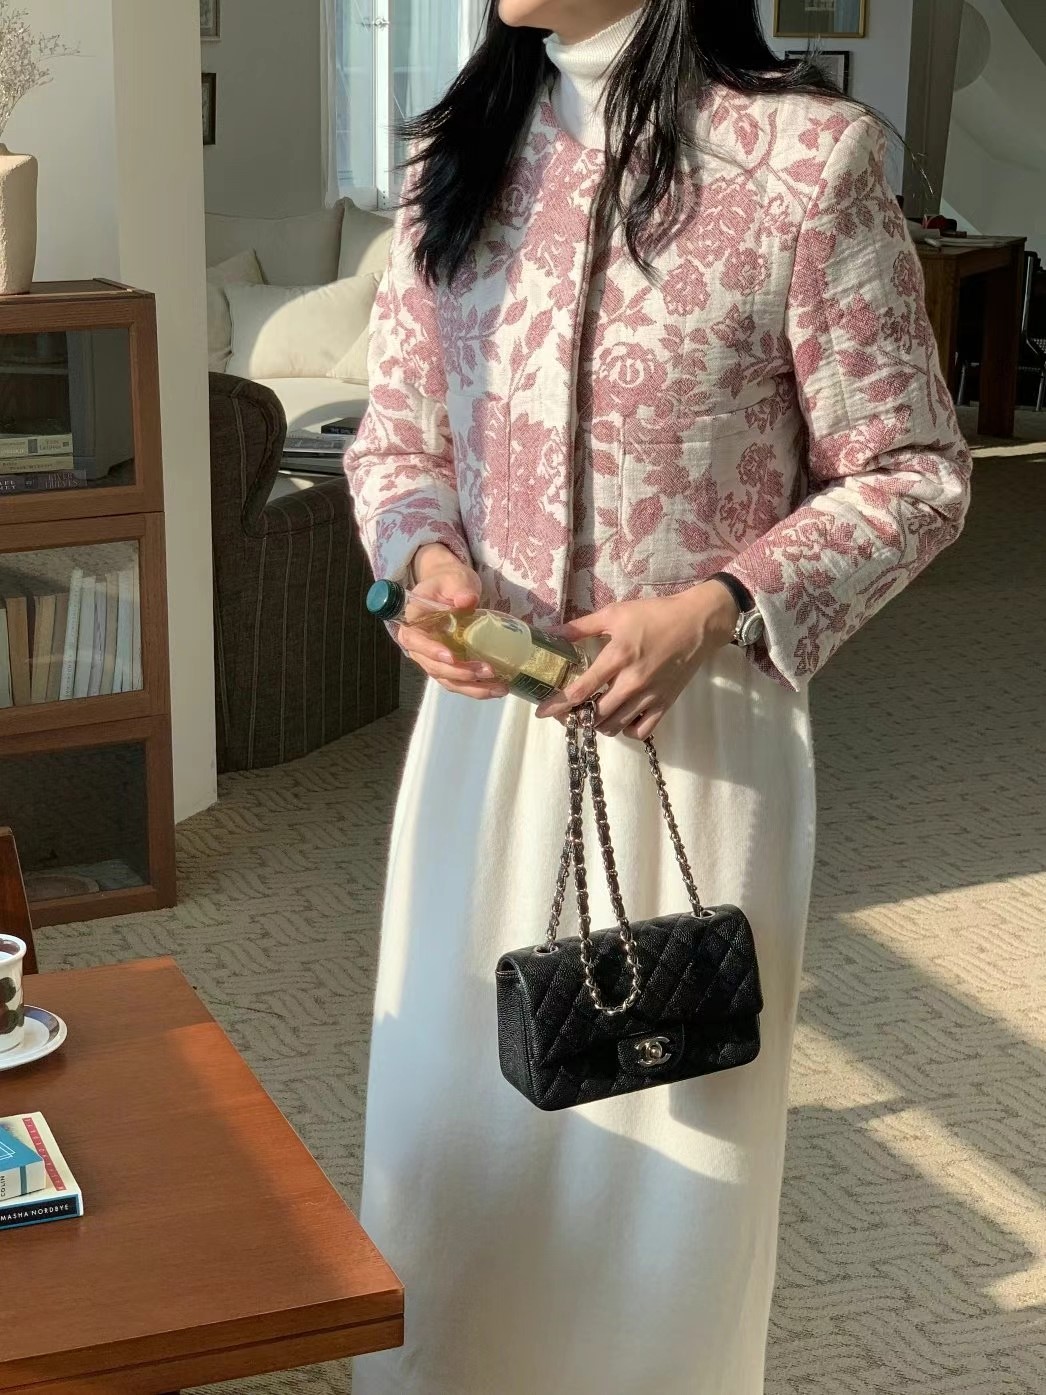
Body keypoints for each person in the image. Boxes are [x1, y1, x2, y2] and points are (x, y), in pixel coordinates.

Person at [344, 2, 971, 1391]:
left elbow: (915, 473)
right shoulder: (458, 151)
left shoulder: (805, 159)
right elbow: (395, 436)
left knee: (664, 1154)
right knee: (453, 1122)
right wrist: (423, 557)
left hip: (696, 736)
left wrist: (717, 605)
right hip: (487, 737)